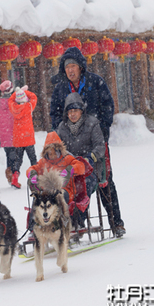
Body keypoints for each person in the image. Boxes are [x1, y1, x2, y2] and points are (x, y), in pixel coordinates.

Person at [50, 46, 125, 237]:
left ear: (81, 67)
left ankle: (116, 222)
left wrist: (102, 129)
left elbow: (108, 105)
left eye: (74, 66)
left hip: (95, 142)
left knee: (104, 181)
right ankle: (77, 223)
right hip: (71, 147)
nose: (70, 70)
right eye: (67, 67)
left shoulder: (95, 82)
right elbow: (54, 115)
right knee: (72, 184)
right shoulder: (60, 88)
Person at [56, 93, 106, 227]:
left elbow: (100, 146)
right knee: (57, 189)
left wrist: (90, 157)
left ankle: (78, 220)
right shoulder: (62, 127)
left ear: (81, 111)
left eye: (75, 111)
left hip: (89, 170)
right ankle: (60, 221)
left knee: (82, 186)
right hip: (69, 170)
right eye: (70, 111)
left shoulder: (92, 123)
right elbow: (57, 147)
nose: (72, 114)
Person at [27, 131, 85, 213]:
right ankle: (33, 223)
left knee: (58, 199)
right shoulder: (43, 162)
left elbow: (81, 167)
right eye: (50, 153)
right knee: (37, 200)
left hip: (65, 191)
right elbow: (32, 168)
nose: (53, 156)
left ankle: (60, 221)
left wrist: (70, 169)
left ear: (60, 151)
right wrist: (32, 173)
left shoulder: (67, 159)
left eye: (55, 153)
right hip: (47, 191)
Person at [7, 85, 38, 189]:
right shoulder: (29, 106)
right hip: (28, 137)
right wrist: (26, 91)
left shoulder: (13, 107)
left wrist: (16, 93)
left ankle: (15, 179)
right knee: (33, 159)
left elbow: (10, 100)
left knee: (18, 160)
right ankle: (36, 178)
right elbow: (34, 97)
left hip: (18, 138)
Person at [0, 80, 17, 185]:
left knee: (9, 155)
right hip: (13, 134)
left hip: (4, 135)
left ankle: (9, 173)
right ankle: (13, 175)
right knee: (15, 156)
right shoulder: (14, 102)